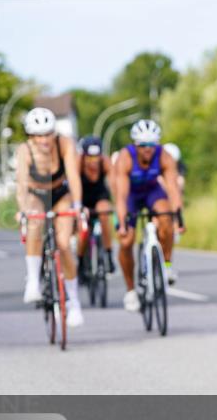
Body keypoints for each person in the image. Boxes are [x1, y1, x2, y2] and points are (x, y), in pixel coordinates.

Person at [15, 107, 86, 328]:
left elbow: (73, 177)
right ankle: (33, 281)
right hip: (36, 195)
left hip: (60, 194)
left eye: (47, 133)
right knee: (35, 222)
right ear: (30, 136)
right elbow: (22, 185)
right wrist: (24, 209)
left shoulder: (65, 144)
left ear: (54, 132)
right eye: (38, 135)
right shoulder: (24, 151)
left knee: (64, 245)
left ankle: (74, 303)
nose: (44, 139)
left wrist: (77, 206)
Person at [114, 119, 184, 312]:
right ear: (136, 145)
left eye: (151, 144)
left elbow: (173, 189)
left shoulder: (164, 156)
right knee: (127, 240)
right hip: (131, 195)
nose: (147, 149)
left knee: (166, 218)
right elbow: (120, 196)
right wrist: (121, 223)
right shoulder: (125, 158)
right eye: (143, 145)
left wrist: (178, 217)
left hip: (152, 191)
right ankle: (130, 291)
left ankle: (167, 265)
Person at [76, 135, 116, 275]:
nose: (93, 161)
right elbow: (72, 186)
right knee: (83, 230)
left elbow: (113, 183)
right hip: (82, 198)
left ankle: (108, 254)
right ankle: (80, 261)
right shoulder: (78, 163)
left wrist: (117, 204)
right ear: (84, 154)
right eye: (90, 157)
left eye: (96, 157)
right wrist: (78, 206)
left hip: (100, 196)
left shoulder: (105, 162)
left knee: (104, 213)